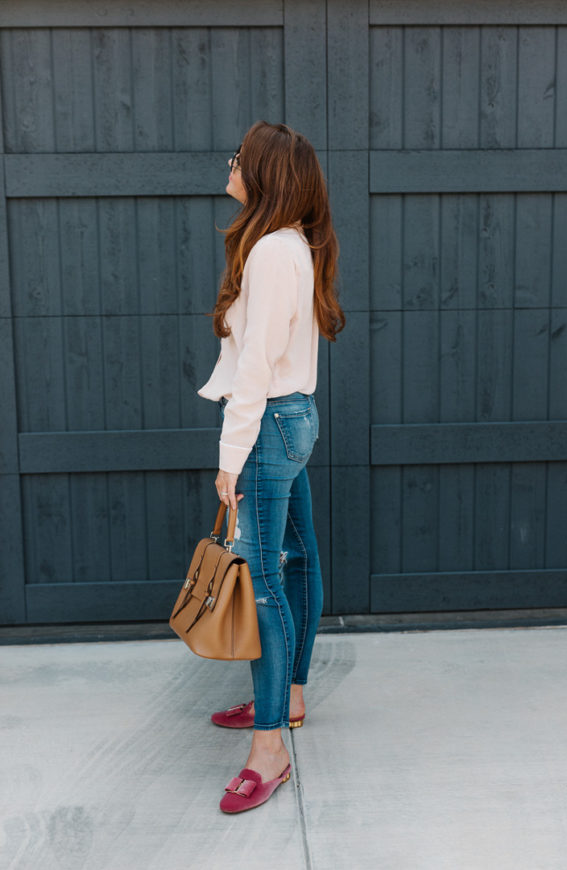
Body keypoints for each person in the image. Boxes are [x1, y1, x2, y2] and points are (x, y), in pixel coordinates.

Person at [197, 121, 345, 813]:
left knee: (262, 584)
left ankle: (268, 748)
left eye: (239, 158)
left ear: (264, 175)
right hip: (293, 421)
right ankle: (288, 699)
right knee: (298, 559)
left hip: (268, 426)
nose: (230, 165)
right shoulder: (292, 246)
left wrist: (231, 455)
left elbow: (254, 365)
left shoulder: (269, 253)